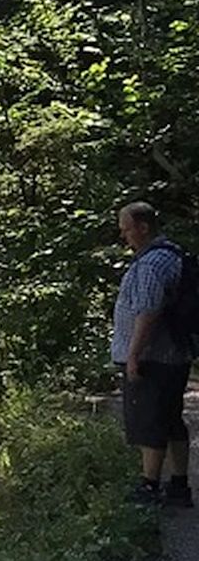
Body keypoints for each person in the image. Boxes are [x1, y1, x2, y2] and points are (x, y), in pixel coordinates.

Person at [115, 201, 194, 506]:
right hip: (174, 354)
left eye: (126, 229)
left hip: (153, 357)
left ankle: (149, 487)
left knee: (150, 421)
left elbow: (147, 312)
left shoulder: (150, 264)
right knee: (172, 419)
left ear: (143, 227)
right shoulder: (173, 255)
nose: (124, 236)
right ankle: (179, 486)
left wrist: (133, 356)